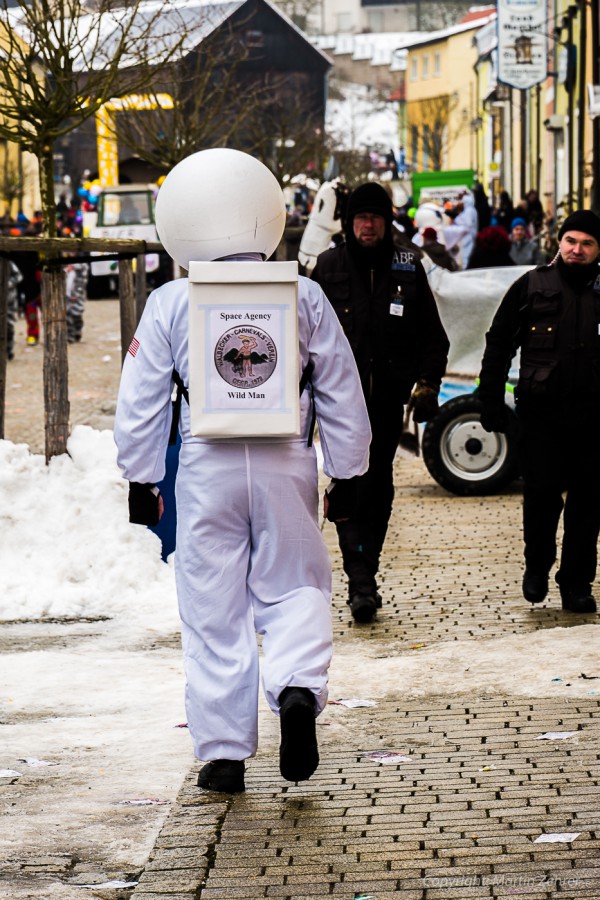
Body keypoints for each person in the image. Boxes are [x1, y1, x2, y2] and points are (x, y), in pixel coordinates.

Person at [113, 148, 372, 794]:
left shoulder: (172, 301)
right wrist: (349, 471)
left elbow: (142, 397)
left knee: (212, 606)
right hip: (288, 458)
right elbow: (341, 386)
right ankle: (296, 692)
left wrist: (142, 479)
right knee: (295, 583)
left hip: (207, 464)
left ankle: (225, 752)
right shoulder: (303, 294)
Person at [311, 182, 449, 624]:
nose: (367, 225)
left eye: (374, 218)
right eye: (359, 218)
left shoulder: (408, 266)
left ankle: (364, 573)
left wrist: (427, 385)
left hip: (387, 401)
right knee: (350, 485)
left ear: (387, 222)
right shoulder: (328, 267)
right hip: (338, 404)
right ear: (348, 223)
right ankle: (360, 582)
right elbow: (302, 336)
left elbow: (434, 335)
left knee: (378, 487)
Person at [477, 209, 600, 615]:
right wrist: (490, 398)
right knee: (542, 496)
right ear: (559, 243)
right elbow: (498, 342)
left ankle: (577, 583)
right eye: (570, 241)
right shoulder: (531, 285)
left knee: (588, 504)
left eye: (586, 244)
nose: (576, 250)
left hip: (594, 417)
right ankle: (537, 566)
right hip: (542, 415)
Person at [65, 257, 89, 343]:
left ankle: (77, 332)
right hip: (67, 294)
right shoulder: (65, 263)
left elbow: (83, 282)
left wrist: (77, 294)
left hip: (78, 295)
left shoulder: (82, 266)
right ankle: (70, 335)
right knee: (67, 315)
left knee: (77, 314)